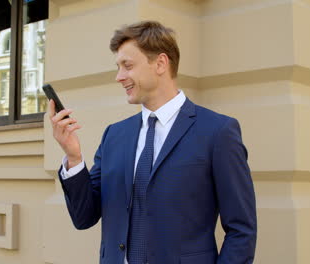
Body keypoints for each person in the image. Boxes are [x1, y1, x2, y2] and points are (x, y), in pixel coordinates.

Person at [49, 21, 257, 264]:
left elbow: (242, 231)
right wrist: (73, 157)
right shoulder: (114, 135)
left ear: (160, 63)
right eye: (118, 67)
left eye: (127, 66)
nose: (119, 77)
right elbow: (84, 217)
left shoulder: (217, 131)